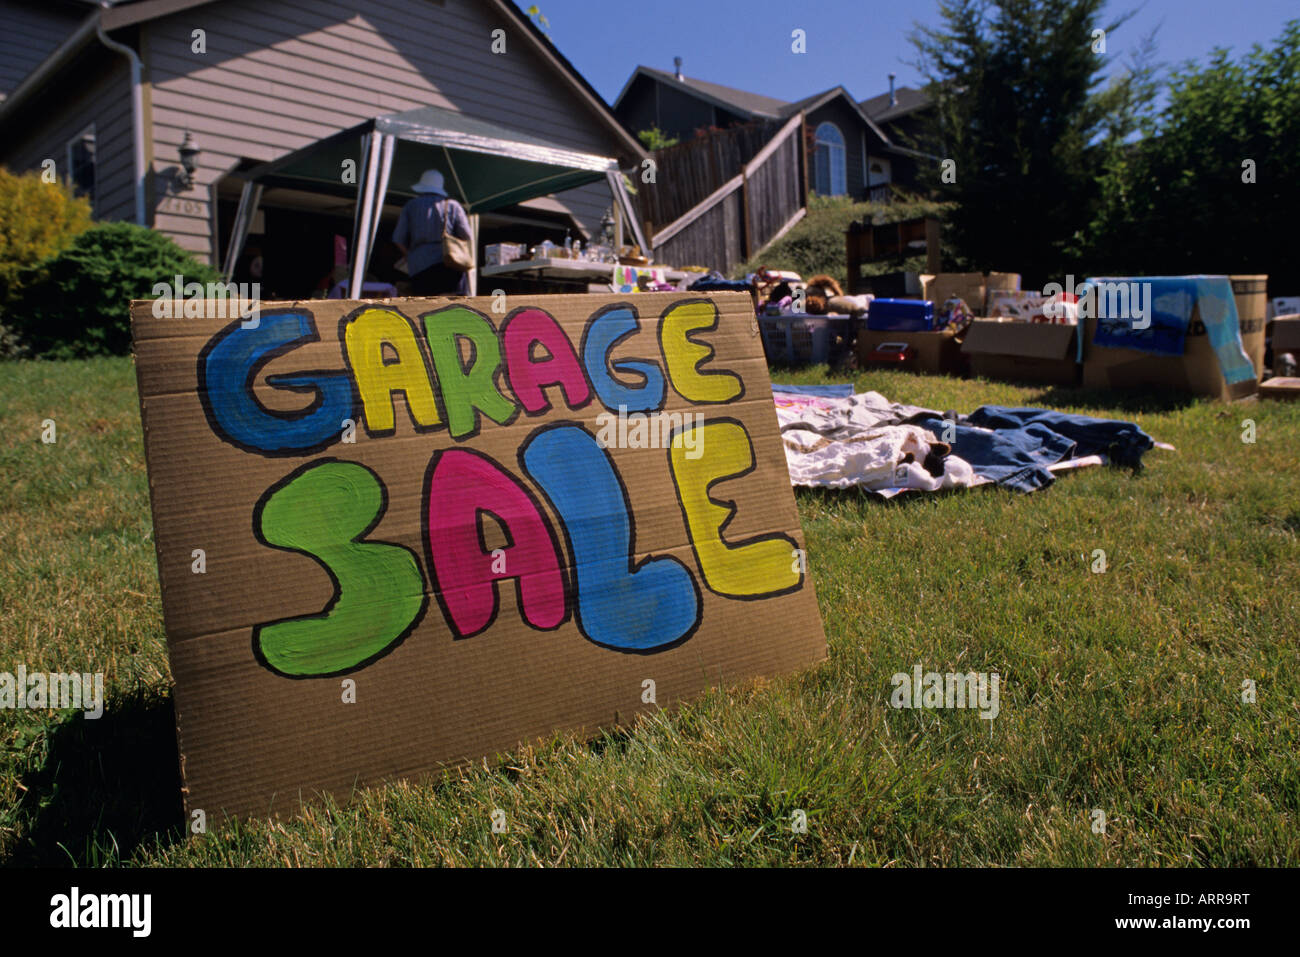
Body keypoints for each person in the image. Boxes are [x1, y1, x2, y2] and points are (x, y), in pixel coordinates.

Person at [393, 169, 472, 296]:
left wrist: (410, 255)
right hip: (450, 263)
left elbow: (398, 239)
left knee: (425, 308)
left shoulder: (411, 206)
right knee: (452, 307)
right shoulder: (452, 205)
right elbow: (467, 235)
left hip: (419, 266)